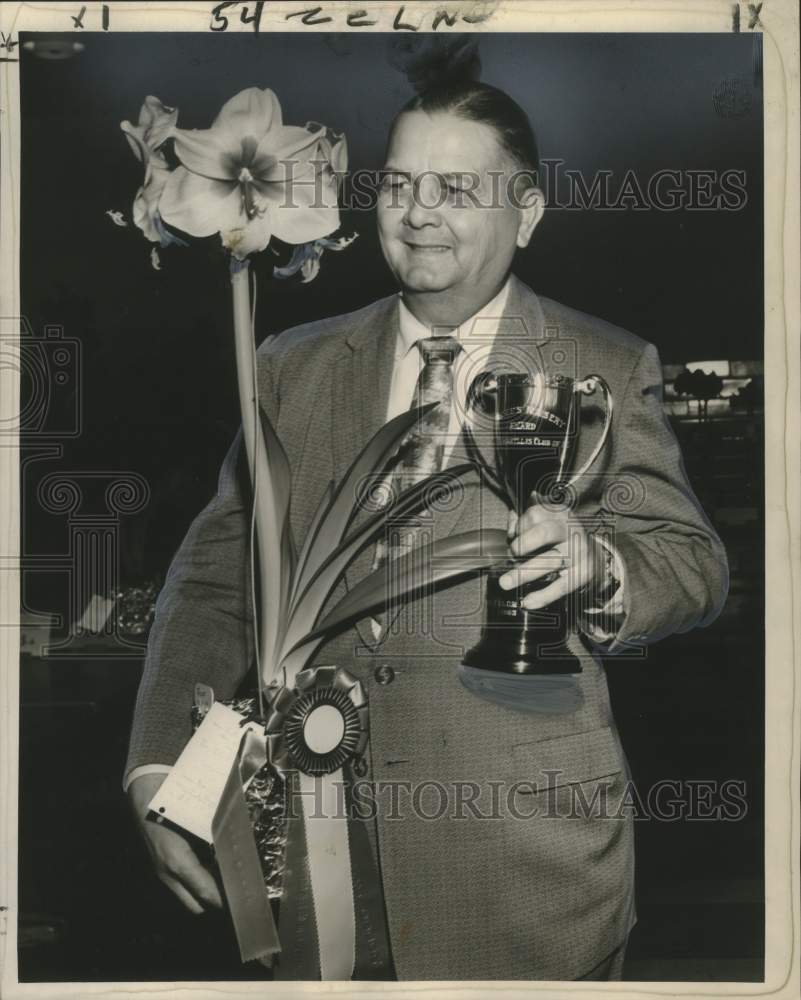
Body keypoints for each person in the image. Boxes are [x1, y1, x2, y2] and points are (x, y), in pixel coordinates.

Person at [125, 72, 729, 981]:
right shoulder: (292, 363)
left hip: (526, 871)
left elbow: (692, 564)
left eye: (456, 190)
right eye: (400, 185)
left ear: (526, 212)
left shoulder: (602, 360)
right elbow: (217, 581)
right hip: (318, 862)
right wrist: (160, 767)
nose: (417, 214)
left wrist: (598, 564)